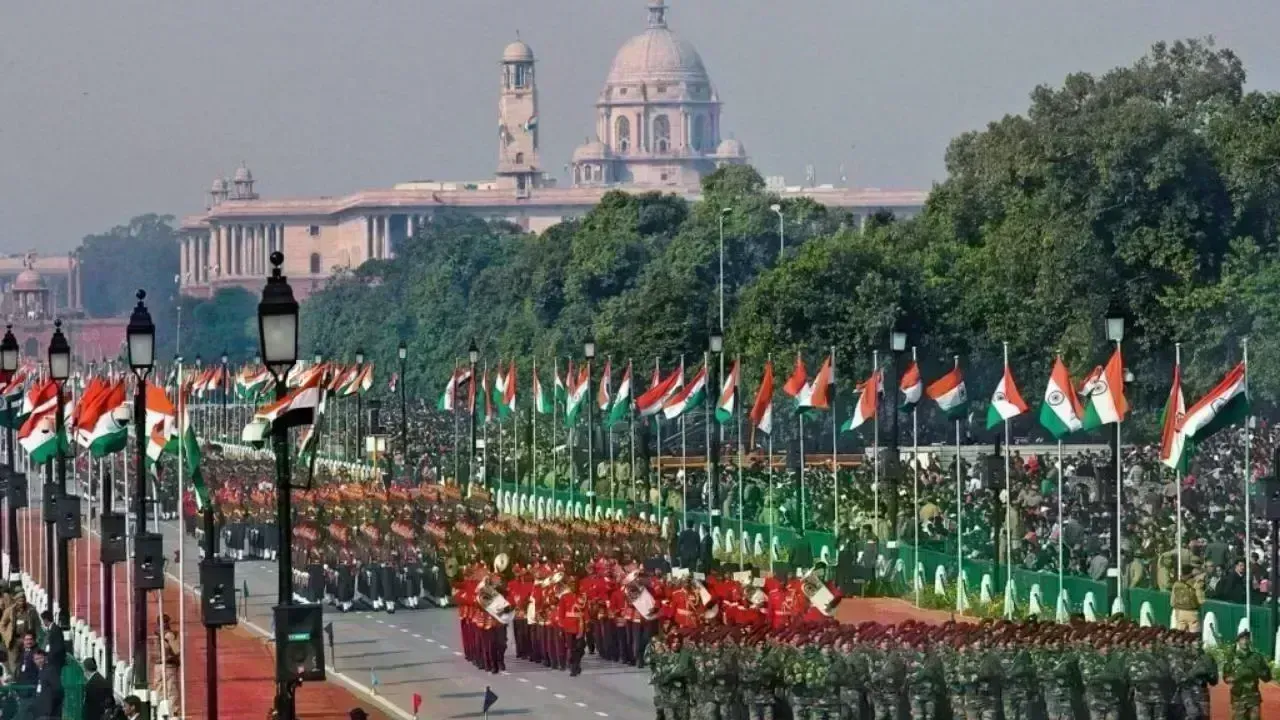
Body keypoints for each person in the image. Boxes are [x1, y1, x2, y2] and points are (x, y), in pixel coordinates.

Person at [1222, 630, 1270, 720]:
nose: (1245, 642)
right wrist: (1235, 678)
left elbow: (1267, 678)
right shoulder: (1232, 658)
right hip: (1238, 699)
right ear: (1238, 641)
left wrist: (1260, 670)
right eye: (1242, 639)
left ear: (1249, 641)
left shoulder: (1257, 657)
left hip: (1253, 698)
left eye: (1247, 639)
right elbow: (1226, 677)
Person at [154, 614, 181, 717]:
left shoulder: (157, 635)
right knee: (171, 691)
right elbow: (177, 650)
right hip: (167, 666)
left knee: (162, 691)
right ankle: (172, 713)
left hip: (160, 666)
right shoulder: (168, 635)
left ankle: (163, 713)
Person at [31, 648, 62, 720]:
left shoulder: (50, 670)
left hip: (49, 712)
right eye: (36, 659)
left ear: (45, 657)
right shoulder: (40, 671)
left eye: (40, 658)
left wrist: (51, 706)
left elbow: (57, 689)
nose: (39, 661)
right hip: (40, 710)